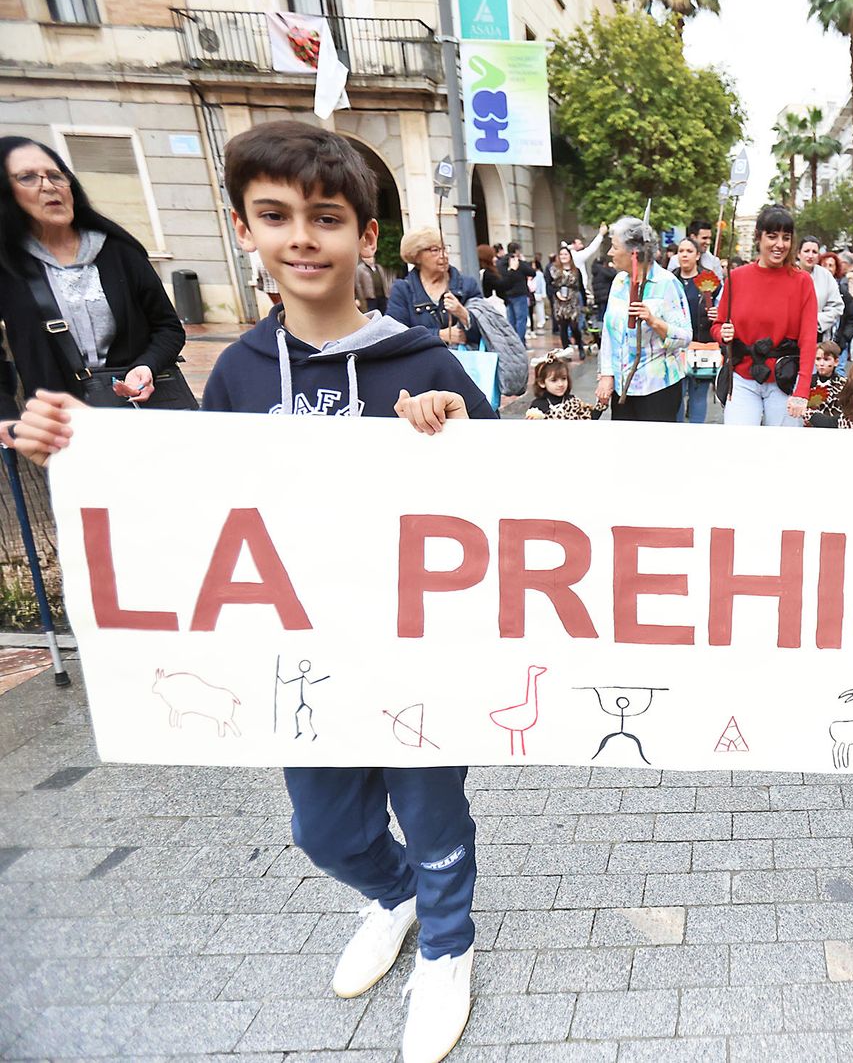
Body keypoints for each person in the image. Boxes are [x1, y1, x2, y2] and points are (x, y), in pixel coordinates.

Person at [11, 119, 495, 1063]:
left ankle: (447, 945)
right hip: (299, 655)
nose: (303, 236)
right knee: (324, 830)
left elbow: (508, 503)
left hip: (415, 652)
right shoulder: (234, 372)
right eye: (276, 216)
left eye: (327, 217)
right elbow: (184, 491)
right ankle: (391, 896)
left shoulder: (426, 362)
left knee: (435, 810)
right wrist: (77, 443)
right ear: (244, 229)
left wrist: (451, 424)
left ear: (365, 234)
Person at [0, 135, 188, 434]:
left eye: (56, 175)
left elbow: (168, 327)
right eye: (27, 178)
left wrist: (147, 366)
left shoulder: (118, 250)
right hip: (62, 426)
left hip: (145, 415)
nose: (48, 186)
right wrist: (6, 421)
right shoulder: (7, 266)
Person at [714, 204, 817, 427]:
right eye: (772, 236)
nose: (780, 244)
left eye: (786, 237)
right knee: (739, 446)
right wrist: (723, 333)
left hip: (784, 379)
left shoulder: (802, 282)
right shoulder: (737, 278)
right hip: (741, 378)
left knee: (783, 451)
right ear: (758, 238)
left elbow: (808, 340)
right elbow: (718, 324)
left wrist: (802, 390)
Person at [595, 215, 691, 423]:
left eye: (614, 247)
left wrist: (654, 321)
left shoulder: (667, 284)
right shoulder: (620, 281)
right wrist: (606, 375)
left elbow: (685, 337)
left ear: (633, 253)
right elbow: (609, 333)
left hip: (657, 388)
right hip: (623, 389)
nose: (610, 252)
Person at [386, 228, 483, 349]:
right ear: (416, 256)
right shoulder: (402, 290)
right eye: (435, 250)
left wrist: (463, 314)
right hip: (422, 364)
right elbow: (395, 335)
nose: (444, 255)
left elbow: (487, 331)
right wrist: (439, 335)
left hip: (464, 364)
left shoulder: (467, 286)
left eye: (445, 248)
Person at [671, 236, 719, 424]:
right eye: (681, 251)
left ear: (697, 255)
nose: (684, 255)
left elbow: (721, 306)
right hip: (675, 347)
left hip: (702, 346)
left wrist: (717, 314)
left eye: (689, 251)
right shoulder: (670, 279)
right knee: (677, 395)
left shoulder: (709, 279)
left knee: (698, 396)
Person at [525, 355, 603, 420]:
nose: (560, 384)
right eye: (554, 380)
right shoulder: (538, 406)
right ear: (542, 383)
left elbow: (589, 418)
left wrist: (602, 403)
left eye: (563, 379)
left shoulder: (573, 401)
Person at [799, 234, 844, 341]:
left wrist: (815, 321)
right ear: (798, 253)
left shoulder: (826, 276)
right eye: (806, 251)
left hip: (817, 335)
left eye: (814, 252)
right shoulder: (787, 273)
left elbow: (837, 307)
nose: (810, 255)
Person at [548, 245, 587, 358]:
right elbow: (549, 285)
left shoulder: (576, 270)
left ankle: (580, 346)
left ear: (570, 256)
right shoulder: (553, 270)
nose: (563, 257)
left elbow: (581, 288)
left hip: (573, 301)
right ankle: (566, 351)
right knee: (563, 327)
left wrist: (584, 303)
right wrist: (556, 293)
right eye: (561, 255)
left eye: (566, 254)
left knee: (574, 326)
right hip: (559, 302)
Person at [499, 241, 532, 346]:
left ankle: (512, 343)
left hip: (507, 294)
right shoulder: (517, 262)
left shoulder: (500, 263)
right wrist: (523, 261)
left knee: (511, 321)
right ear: (517, 251)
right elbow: (532, 272)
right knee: (521, 320)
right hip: (519, 293)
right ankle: (520, 343)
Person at [804, 340, 845, 423]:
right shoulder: (807, 382)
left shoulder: (843, 385)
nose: (821, 363)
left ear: (836, 362)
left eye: (826, 359)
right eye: (818, 359)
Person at [356, 245, 385, 314]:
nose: (371, 259)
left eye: (372, 257)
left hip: (382, 296)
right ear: (363, 259)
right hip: (370, 297)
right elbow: (358, 284)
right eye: (368, 258)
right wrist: (360, 298)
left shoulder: (379, 267)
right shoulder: (360, 269)